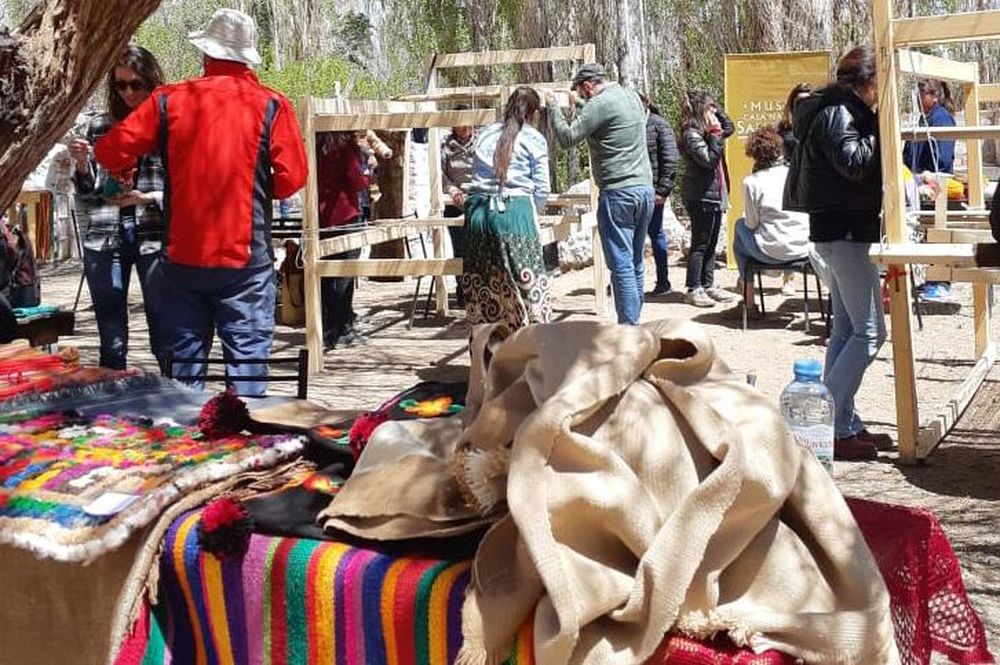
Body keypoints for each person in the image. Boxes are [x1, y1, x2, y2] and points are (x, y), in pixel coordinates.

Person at [95, 9, 307, 396]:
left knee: (183, 378)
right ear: (246, 56)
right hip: (245, 263)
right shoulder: (272, 105)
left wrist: (127, 168)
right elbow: (293, 177)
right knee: (246, 378)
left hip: (182, 260)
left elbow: (111, 149)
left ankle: (185, 446)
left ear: (206, 53)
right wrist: (259, 189)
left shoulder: (168, 100)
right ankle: (246, 445)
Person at [785, 45, 893, 460]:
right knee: (870, 334)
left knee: (848, 331)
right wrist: (882, 128)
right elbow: (853, 163)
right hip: (843, 229)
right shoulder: (838, 111)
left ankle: (841, 423)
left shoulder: (838, 109)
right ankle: (819, 419)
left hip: (842, 228)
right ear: (865, 80)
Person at [69, 45, 165, 370]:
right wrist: (83, 164)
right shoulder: (100, 126)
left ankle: (175, 399)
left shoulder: (166, 126)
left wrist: (147, 197)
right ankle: (114, 413)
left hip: (153, 232)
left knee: (164, 330)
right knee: (111, 338)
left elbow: (183, 186)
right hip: (104, 235)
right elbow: (87, 192)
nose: (127, 92)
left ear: (150, 82)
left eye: (135, 84)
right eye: (119, 85)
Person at [546, 64, 653, 325]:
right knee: (635, 262)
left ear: (587, 86)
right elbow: (604, 120)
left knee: (621, 266)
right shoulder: (630, 96)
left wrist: (553, 109)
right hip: (644, 191)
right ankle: (635, 327)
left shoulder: (599, 103)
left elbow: (568, 137)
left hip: (618, 193)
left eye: (582, 93)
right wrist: (583, 106)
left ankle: (629, 329)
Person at [459, 86, 552, 330]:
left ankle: (487, 359)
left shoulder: (485, 134)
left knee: (483, 291)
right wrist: (532, 214)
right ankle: (533, 354)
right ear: (533, 113)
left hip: (478, 214)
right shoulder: (533, 139)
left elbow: (477, 174)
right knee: (528, 289)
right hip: (515, 213)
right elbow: (542, 189)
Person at [729, 126, 809, 313]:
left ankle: (748, 300)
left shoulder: (751, 182)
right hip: (803, 249)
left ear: (753, 154)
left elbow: (751, 224)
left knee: (739, 229)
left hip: (771, 251)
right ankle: (786, 281)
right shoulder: (795, 175)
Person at [679, 90, 736, 308]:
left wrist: (717, 112)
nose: (714, 111)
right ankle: (694, 288)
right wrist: (713, 133)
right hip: (700, 194)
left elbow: (729, 128)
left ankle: (708, 284)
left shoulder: (710, 131)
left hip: (714, 193)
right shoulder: (692, 134)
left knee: (711, 243)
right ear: (700, 111)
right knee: (700, 243)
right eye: (710, 108)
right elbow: (709, 160)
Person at [903, 78, 957, 302]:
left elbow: (942, 157)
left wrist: (927, 176)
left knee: (938, 231)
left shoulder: (941, 118)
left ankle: (941, 282)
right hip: (920, 183)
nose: (917, 98)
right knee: (928, 232)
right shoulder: (925, 119)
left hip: (935, 184)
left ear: (933, 97)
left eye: (921, 94)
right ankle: (933, 279)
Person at [316, 131, 371, 349]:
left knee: (326, 276)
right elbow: (357, 180)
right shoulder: (344, 145)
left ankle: (328, 328)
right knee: (345, 274)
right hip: (345, 215)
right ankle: (342, 329)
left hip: (321, 217)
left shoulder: (316, 143)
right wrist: (368, 170)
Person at [639, 93, 679, 295]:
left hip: (654, 192)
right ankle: (630, 281)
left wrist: (663, 190)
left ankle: (663, 282)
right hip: (635, 192)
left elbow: (670, 159)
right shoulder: (629, 125)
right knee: (631, 238)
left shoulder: (658, 124)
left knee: (656, 234)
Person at [441, 107, 476, 303]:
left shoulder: (481, 142)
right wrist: (452, 189)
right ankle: (464, 291)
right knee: (460, 248)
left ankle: (480, 291)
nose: (465, 127)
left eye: (468, 122)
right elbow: (440, 174)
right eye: (461, 123)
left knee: (479, 248)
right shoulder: (445, 146)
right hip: (455, 205)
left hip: (479, 202)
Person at [777, 82, 814, 164]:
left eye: (807, 101)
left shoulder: (818, 123)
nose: (803, 105)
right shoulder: (783, 126)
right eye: (800, 101)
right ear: (792, 103)